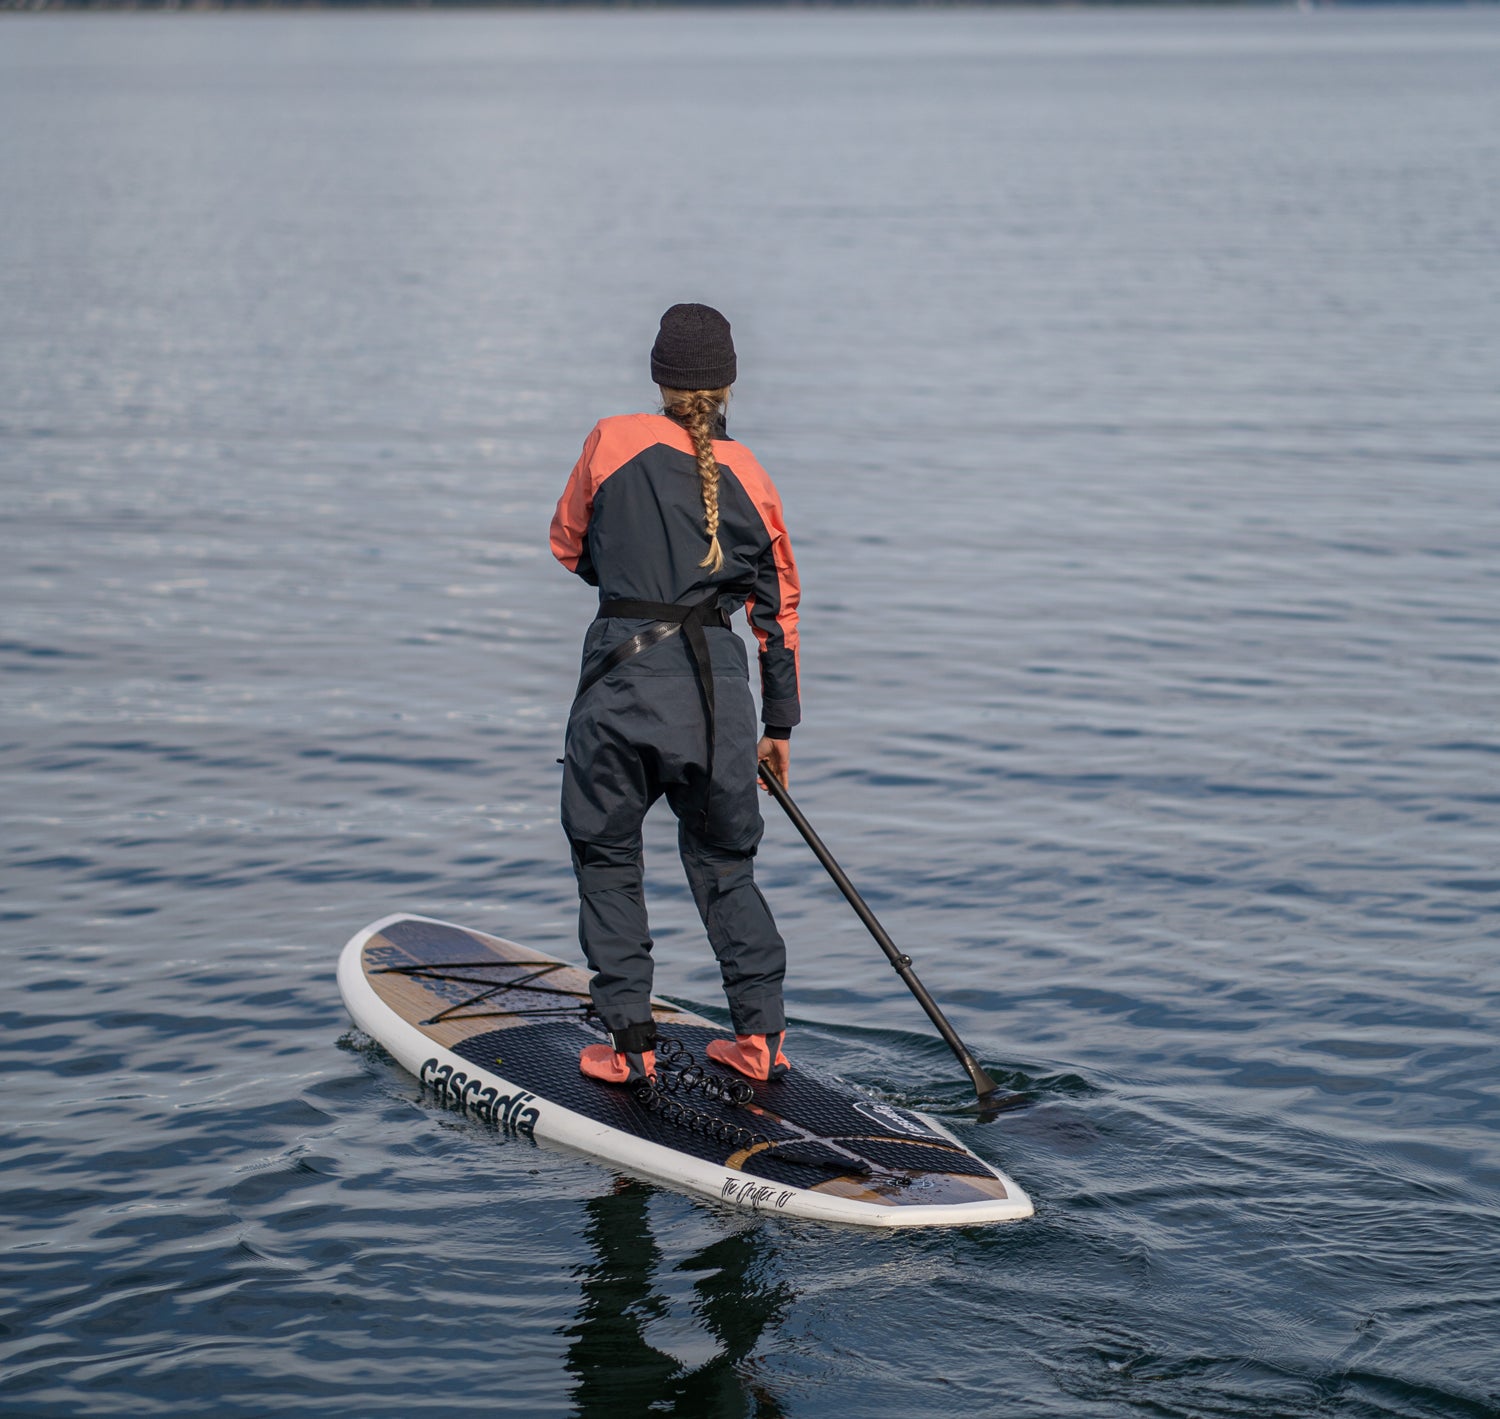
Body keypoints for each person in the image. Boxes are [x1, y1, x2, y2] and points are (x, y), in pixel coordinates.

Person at [550, 303, 801, 1087]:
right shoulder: (752, 473)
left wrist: (632, 575)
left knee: (607, 855)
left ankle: (630, 1048)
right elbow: (779, 612)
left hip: (621, 685)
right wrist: (780, 724)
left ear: (659, 378)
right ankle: (760, 1040)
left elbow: (568, 544)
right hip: (721, 700)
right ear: (728, 385)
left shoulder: (609, 440)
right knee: (727, 863)